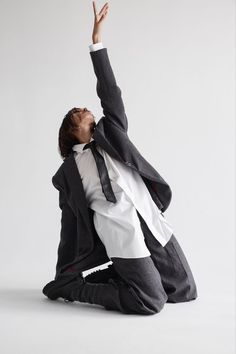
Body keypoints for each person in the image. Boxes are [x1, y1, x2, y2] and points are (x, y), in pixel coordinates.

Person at [42, 1, 198, 315]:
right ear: (71, 130)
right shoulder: (68, 172)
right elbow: (69, 224)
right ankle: (78, 287)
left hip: (150, 221)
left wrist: (97, 41)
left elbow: (110, 92)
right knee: (151, 301)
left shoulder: (111, 134)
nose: (88, 111)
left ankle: (118, 275)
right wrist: (64, 275)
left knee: (183, 291)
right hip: (121, 233)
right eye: (80, 113)